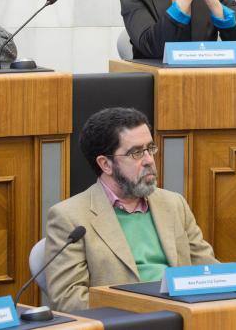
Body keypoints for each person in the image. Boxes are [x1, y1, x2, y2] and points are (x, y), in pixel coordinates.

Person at [45, 107, 217, 312]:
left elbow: (210, 272)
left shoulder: (173, 204)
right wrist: (144, 309)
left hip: (186, 318)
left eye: (150, 148)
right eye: (136, 152)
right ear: (105, 164)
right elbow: (69, 299)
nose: (149, 160)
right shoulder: (70, 217)